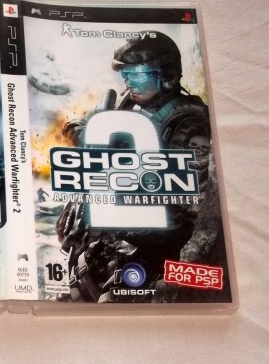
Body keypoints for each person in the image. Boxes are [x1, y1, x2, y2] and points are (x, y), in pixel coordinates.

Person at [56, 32, 224, 303]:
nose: (128, 80)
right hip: (107, 248)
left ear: (167, 75)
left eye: (138, 73)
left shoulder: (188, 123)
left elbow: (188, 206)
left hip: (152, 256)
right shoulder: (131, 104)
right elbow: (79, 129)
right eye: (125, 73)